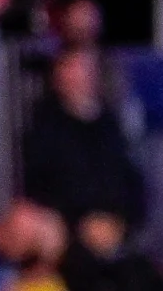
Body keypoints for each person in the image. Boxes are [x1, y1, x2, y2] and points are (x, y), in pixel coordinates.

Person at [21, 44, 149, 231]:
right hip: (67, 229)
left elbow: (131, 181)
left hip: (116, 225)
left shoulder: (111, 124)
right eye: (72, 68)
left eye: (86, 68)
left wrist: (120, 221)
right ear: (57, 76)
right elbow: (40, 188)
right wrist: (81, 224)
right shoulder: (44, 127)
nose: (80, 76)